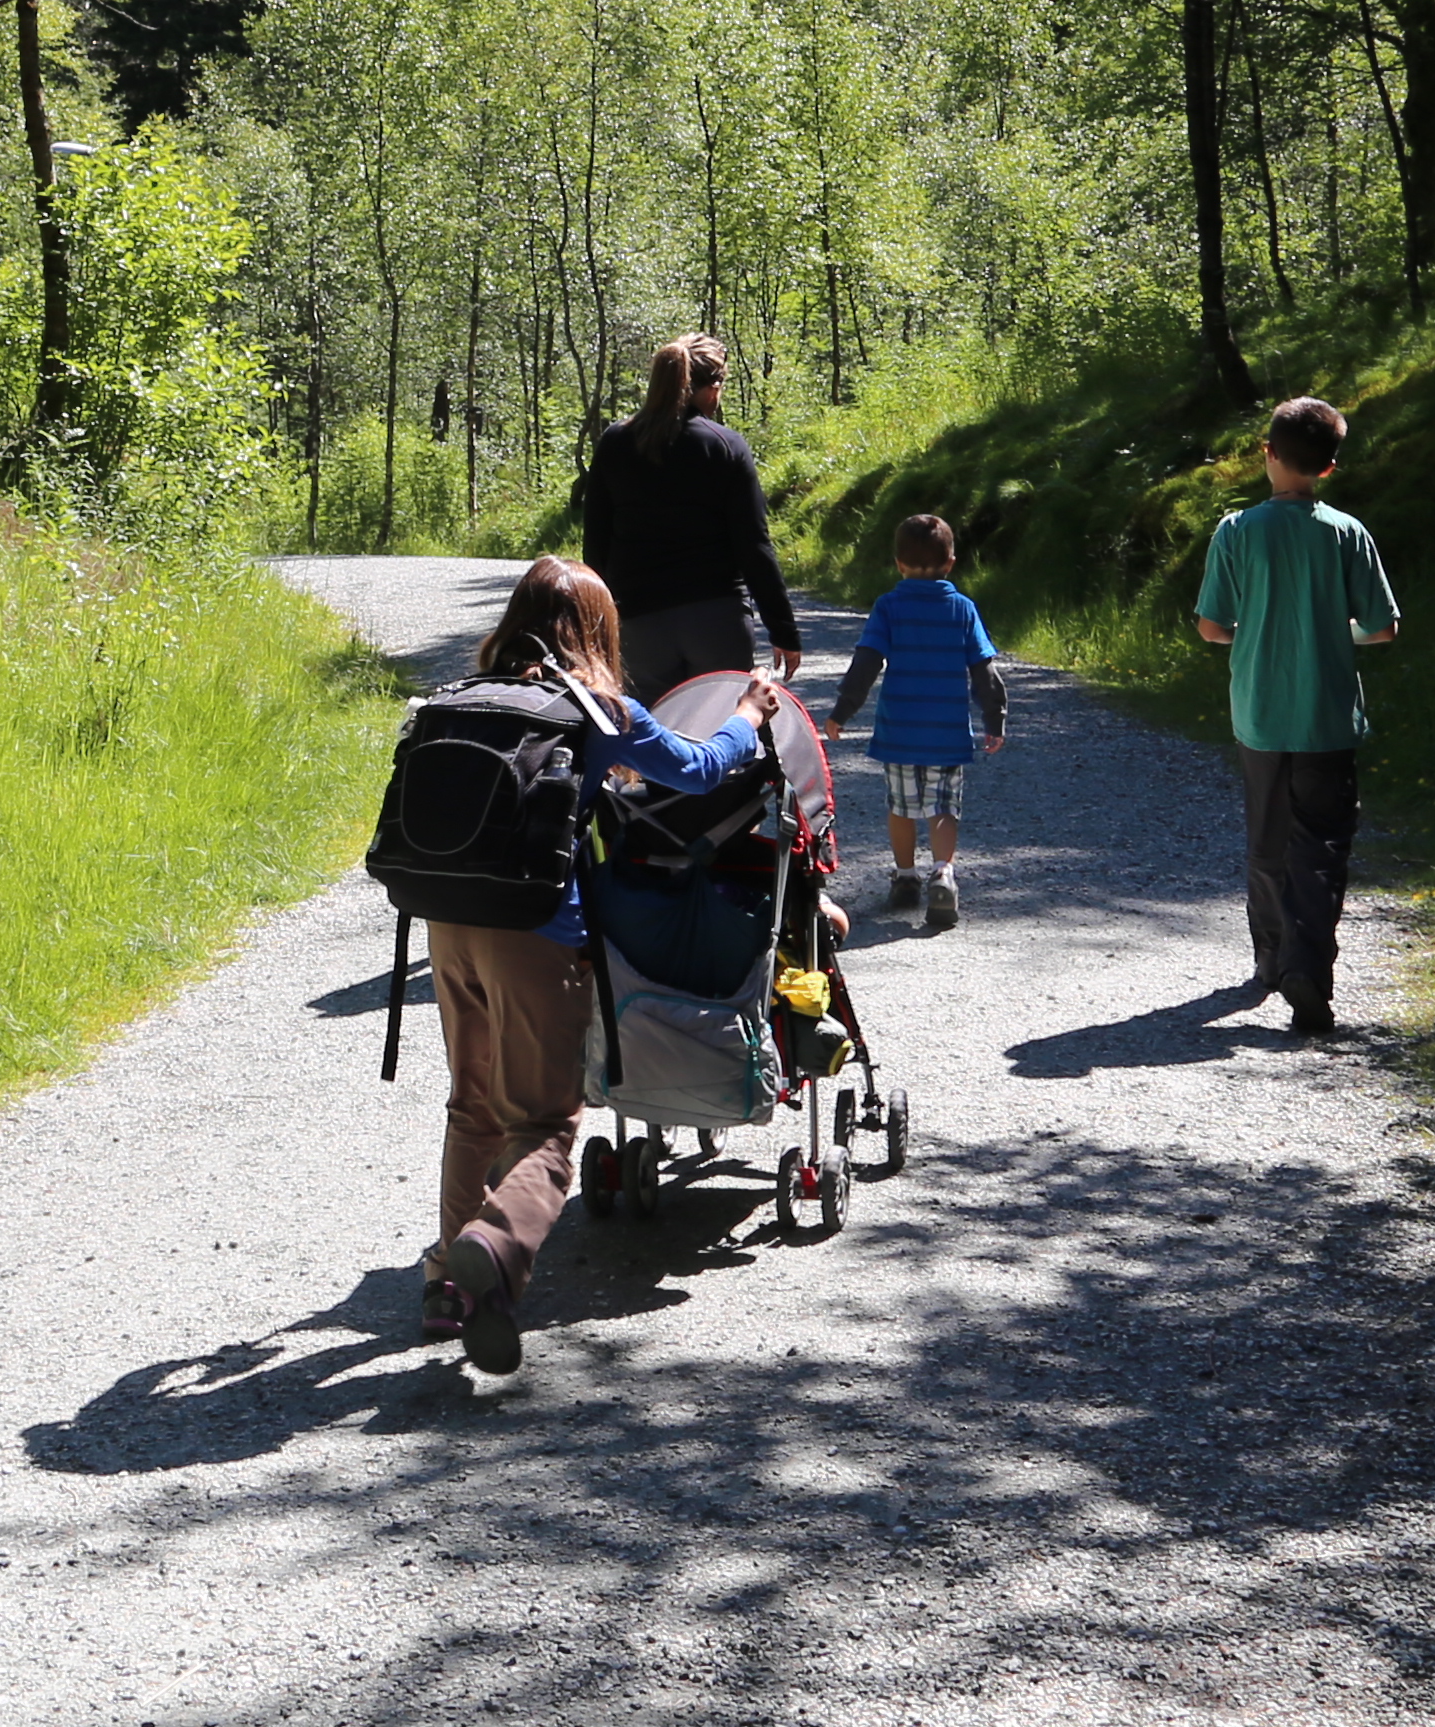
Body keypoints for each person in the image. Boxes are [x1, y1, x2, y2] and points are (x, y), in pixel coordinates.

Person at [414, 557, 779, 1374]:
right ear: (597, 632)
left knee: (472, 1103)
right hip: (536, 932)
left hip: (446, 921)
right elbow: (697, 768)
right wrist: (748, 717)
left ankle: (450, 1284)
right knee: (543, 1122)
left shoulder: (467, 695)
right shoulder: (595, 706)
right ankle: (493, 1245)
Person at [1194, 394, 1400, 1038]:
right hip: (1328, 719)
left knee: (1268, 840)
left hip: (1259, 713)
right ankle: (1308, 969)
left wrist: (1253, 629)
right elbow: (1383, 627)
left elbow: (1210, 627)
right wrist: (1338, 632)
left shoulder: (1236, 531)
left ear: (1268, 455)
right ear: (1329, 468)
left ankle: (1270, 957)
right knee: (1323, 846)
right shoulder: (1347, 532)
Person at [574, 333, 799, 700]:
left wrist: (597, 626)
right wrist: (783, 631)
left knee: (648, 743)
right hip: (716, 620)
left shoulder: (616, 441)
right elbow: (754, 546)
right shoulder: (725, 446)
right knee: (719, 738)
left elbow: (595, 544)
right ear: (712, 389)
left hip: (637, 622)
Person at [826, 510, 1008, 930]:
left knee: (901, 806)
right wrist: (994, 719)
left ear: (899, 564)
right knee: (943, 805)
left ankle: (905, 877)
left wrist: (842, 712)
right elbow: (985, 670)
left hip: (900, 729)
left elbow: (866, 663)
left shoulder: (889, 606)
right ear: (950, 563)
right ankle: (943, 872)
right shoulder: (962, 609)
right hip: (947, 731)